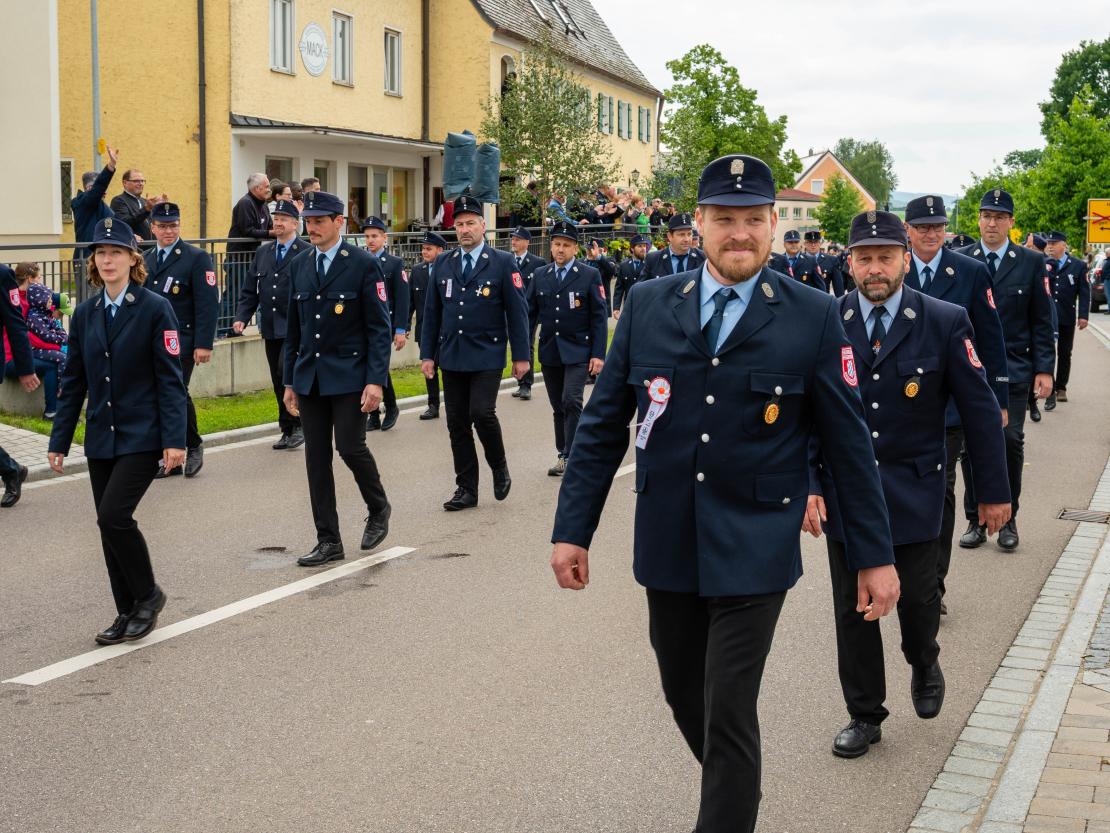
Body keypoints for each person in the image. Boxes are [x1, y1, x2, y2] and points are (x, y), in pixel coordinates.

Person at [549, 155, 898, 833]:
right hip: (669, 542)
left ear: (773, 225)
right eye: (723, 220)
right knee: (687, 697)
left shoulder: (813, 315)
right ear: (699, 225)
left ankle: (726, 813)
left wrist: (874, 556)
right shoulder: (650, 305)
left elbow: (850, 448)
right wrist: (573, 529)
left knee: (729, 703)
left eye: (751, 220)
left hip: (757, 546)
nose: (738, 233)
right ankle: (736, 791)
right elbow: (598, 429)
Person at [806, 209, 1010, 759]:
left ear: (904, 259)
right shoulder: (827, 320)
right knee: (855, 608)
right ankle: (864, 714)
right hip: (848, 492)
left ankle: (924, 660)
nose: (876, 269)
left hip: (916, 490)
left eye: (886, 257)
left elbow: (979, 408)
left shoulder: (944, 319)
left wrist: (993, 492)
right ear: (849, 262)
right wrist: (809, 483)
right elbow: (807, 413)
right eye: (865, 258)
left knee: (919, 601)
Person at [47, 217, 187, 644]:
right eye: (101, 253)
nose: (107, 260)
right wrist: (59, 441)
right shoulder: (87, 313)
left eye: (116, 253)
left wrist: (175, 440)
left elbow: (170, 380)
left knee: (114, 516)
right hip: (102, 437)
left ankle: (149, 596)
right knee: (107, 525)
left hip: (143, 434)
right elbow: (74, 382)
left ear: (132, 259)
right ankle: (126, 610)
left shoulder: (154, 308)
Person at [901, 195, 1008, 613]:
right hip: (892, 406)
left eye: (937, 226)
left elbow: (990, 340)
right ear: (907, 230)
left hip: (946, 410)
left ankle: (931, 586)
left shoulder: (969, 271)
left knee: (939, 494)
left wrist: (997, 399)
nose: (930, 233)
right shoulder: (892, 266)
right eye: (922, 227)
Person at [282, 190, 393, 566]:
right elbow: (293, 331)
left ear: (339, 223)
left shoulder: (362, 264)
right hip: (310, 377)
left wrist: (375, 380)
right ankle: (328, 540)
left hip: (349, 374)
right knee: (316, 457)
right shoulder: (300, 264)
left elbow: (379, 328)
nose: (311, 228)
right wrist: (288, 381)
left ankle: (378, 507)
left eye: (318, 221)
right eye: (308, 222)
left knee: (349, 446)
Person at [957, 189, 1055, 552]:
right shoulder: (962, 261)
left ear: (1011, 222)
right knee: (969, 446)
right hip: (969, 370)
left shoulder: (1030, 262)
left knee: (1009, 440)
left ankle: (1009, 516)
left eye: (999, 217)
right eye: (986, 216)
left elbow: (1042, 321)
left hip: (1014, 367)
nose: (991, 223)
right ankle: (976, 519)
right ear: (978, 220)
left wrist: (1045, 370)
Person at [419, 194, 530, 511]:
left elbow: (517, 312)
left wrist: (521, 356)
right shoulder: (443, 262)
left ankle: (499, 465)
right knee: (456, 422)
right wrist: (428, 354)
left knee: (481, 412)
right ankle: (466, 488)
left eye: (471, 223)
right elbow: (432, 312)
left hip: (487, 352)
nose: (465, 229)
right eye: (460, 224)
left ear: (483, 225)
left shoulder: (503, 262)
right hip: (452, 354)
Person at [143, 202, 219, 478]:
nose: (168, 231)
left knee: (174, 392)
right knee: (158, 395)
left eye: (173, 225)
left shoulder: (195, 258)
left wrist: (204, 343)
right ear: (152, 227)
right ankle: (170, 456)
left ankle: (194, 444)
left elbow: (207, 303)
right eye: (162, 226)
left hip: (182, 340)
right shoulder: (146, 259)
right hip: (151, 342)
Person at [527, 221, 606, 476]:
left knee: (572, 400)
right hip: (550, 351)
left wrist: (598, 354)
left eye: (566, 245)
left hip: (578, 351)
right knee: (558, 406)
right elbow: (529, 313)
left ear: (575, 248)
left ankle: (572, 455)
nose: (560, 249)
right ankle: (563, 451)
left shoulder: (589, 275)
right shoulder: (541, 275)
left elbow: (598, 317)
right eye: (557, 244)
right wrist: (521, 350)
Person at [233, 198, 310, 450]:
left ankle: (300, 424)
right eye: (275, 219)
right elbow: (250, 289)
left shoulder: (306, 252)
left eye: (283, 219)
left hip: (295, 327)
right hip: (271, 325)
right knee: (277, 379)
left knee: (286, 373)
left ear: (295, 224)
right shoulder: (263, 252)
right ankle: (287, 428)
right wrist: (242, 317)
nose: (277, 223)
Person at [360, 216, 410, 432]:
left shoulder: (394, 264)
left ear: (384, 238)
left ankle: (391, 407)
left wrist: (401, 329)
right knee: (365, 367)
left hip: (385, 324)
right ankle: (373, 414)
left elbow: (402, 299)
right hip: (363, 324)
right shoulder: (361, 261)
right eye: (367, 237)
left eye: (374, 236)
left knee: (378, 366)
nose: (370, 241)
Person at [1, 263, 40, 507]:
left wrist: (26, 369)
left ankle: (11, 470)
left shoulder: (2, 275)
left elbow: (15, 323)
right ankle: (11, 469)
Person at [3, 265, 63, 418]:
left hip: (23, 353)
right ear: (29, 279)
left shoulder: (31, 300)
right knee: (52, 365)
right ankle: (51, 412)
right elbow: (22, 334)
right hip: (10, 358)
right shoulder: (18, 301)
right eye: (37, 278)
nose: (40, 281)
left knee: (58, 359)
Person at [1043, 230, 1089, 409]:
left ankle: (1061, 387)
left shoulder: (1077, 265)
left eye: (1054, 243)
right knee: (1047, 352)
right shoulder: (1044, 264)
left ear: (1064, 245)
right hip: (1047, 317)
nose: (1051, 247)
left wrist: (1083, 315)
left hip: (1066, 316)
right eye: (1049, 244)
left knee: (1064, 353)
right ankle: (1051, 389)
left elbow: (1084, 292)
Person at [225, 173, 275, 335]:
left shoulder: (264, 205)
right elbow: (248, 230)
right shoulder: (245, 204)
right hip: (238, 256)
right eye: (266, 186)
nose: (269, 189)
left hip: (253, 256)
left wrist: (273, 231)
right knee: (235, 292)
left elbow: (269, 226)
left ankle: (236, 328)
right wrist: (271, 233)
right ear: (256, 188)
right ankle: (224, 328)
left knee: (248, 292)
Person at [410, 231, 447, 419]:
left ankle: (454, 404)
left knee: (448, 370)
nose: (424, 252)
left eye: (429, 249)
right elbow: (410, 301)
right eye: (423, 249)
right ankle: (433, 405)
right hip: (425, 330)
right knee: (428, 369)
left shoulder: (449, 269)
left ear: (440, 250)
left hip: (446, 330)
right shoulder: (417, 271)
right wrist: (404, 326)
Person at [507, 226, 546, 401]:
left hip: (529, 313)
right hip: (509, 312)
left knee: (527, 344)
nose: (513, 242)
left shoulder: (537, 263)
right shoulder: (507, 261)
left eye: (517, 239)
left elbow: (540, 290)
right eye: (512, 239)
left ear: (526, 242)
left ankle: (526, 385)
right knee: (513, 344)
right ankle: (519, 381)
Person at [72, 146, 118, 267]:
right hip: (87, 259)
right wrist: (110, 167)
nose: (102, 191)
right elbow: (97, 190)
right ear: (88, 188)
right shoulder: (81, 202)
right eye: (95, 188)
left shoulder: (104, 207)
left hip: (105, 258)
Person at [642, 212, 705, 279]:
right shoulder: (653, 259)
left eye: (689, 234)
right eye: (681, 234)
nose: (687, 239)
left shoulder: (703, 258)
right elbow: (641, 288)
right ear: (670, 236)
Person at [110, 169, 161, 241]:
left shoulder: (145, 201)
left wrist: (162, 209)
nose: (140, 183)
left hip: (151, 247)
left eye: (142, 181)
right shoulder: (118, 201)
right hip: (134, 248)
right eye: (136, 181)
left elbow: (155, 225)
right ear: (125, 183)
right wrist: (146, 209)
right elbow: (124, 223)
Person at [612, 234, 650, 319]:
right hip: (629, 306)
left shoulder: (649, 264)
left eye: (644, 246)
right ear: (632, 249)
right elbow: (619, 288)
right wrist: (616, 308)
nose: (643, 249)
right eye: (640, 246)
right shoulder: (624, 266)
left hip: (646, 307)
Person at [804, 230, 845, 295]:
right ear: (805, 244)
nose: (813, 245)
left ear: (820, 243)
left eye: (816, 242)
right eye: (810, 242)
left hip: (824, 302)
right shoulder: (798, 260)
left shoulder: (831, 260)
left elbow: (838, 287)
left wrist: (840, 304)